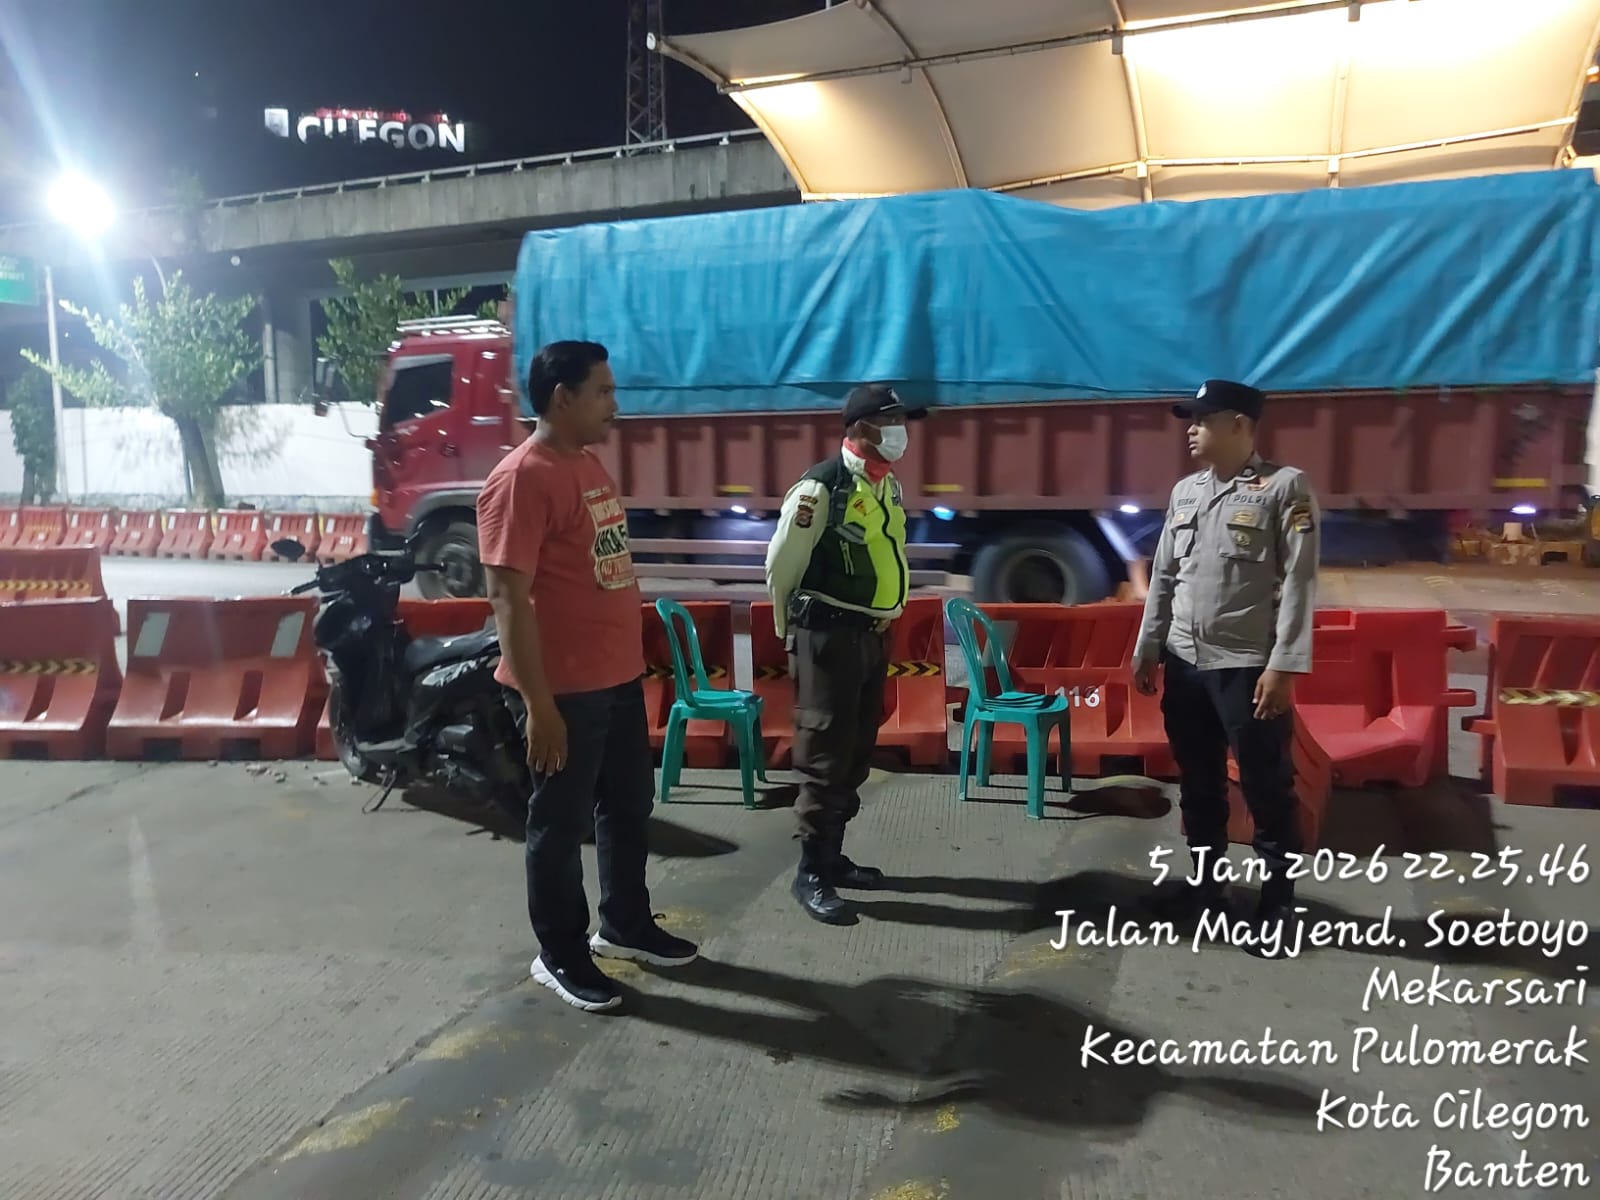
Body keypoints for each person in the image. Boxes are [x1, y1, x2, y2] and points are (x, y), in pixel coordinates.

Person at [478, 340, 697, 1013]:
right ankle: (561, 954)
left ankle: (625, 924)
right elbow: (508, 599)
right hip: (562, 690)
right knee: (559, 825)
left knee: (628, 807)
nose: (614, 404)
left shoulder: (587, 464)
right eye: (602, 391)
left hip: (616, 677)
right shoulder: (521, 478)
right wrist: (539, 706)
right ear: (561, 397)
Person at [1130, 379, 1319, 953]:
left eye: (1202, 419)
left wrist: (1284, 666)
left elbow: (1300, 583)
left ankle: (1278, 903)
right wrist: (1148, 645)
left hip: (1246, 667)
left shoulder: (1285, 488)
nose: (1191, 430)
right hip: (1185, 664)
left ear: (1238, 424)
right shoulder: (1185, 492)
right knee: (1199, 782)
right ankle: (1208, 888)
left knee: (1266, 787)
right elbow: (1164, 575)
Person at [764, 384, 925, 924]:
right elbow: (782, 565)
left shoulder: (885, 484)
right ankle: (810, 872)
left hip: (870, 636)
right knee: (824, 756)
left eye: (902, 420)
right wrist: (791, 630)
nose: (901, 430)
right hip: (828, 638)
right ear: (860, 428)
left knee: (855, 753)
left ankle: (832, 856)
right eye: (891, 421)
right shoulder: (821, 488)